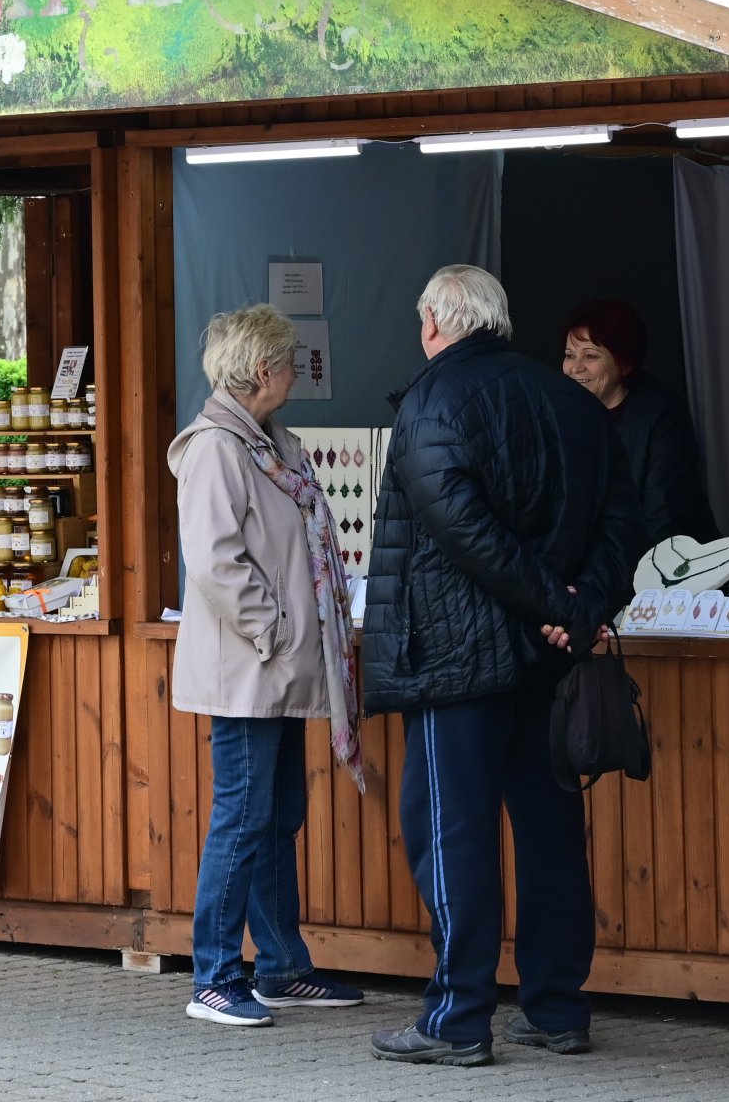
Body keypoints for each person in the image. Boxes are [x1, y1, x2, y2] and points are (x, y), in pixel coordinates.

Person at [364, 265, 642, 1066]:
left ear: (432, 324)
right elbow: (626, 522)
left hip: (456, 660)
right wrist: (578, 606)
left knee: (451, 834)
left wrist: (555, 605)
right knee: (552, 832)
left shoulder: (431, 400)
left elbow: (462, 530)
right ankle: (558, 1007)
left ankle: (456, 1019)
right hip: (545, 663)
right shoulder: (573, 402)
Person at [168, 304, 367, 1028]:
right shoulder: (217, 447)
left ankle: (282, 967)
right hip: (251, 669)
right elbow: (217, 561)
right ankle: (214, 977)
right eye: (289, 361)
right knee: (243, 818)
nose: (297, 372)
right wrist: (278, 631)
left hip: (277, 669)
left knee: (279, 814)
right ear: (262, 369)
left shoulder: (270, 440)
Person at [562, 299, 719, 548]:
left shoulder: (664, 416)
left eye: (591, 355)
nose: (575, 367)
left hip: (661, 570)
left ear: (624, 364)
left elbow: (662, 519)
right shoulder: (562, 414)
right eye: (570, 355)